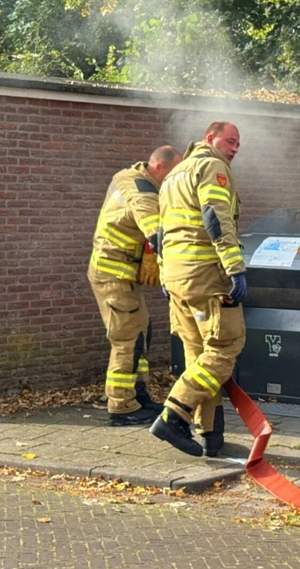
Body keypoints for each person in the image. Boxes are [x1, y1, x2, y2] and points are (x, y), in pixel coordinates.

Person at [149, 121, 246, 457]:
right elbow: (215, 218)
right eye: (230, 141)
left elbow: (161, 235)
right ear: (210, 138)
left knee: (197, 356)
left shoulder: (173, 175)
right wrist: (236, 269)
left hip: (176, 281)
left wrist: (164, 275)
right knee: (223, 349)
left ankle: (210, 435)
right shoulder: (211, 165)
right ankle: (173, 415)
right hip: (205, 277)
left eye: (238, 144)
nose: (234, 148)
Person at [88, 145, 182, 426]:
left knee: (141, 333)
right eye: (172, 174)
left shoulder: (131, 176)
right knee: (127, 339)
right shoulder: (141, 189)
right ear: (158, 168)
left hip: (121, 276)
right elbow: (153, 225)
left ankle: (138, 395)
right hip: (114, 276)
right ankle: (121, 406)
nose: (174, 180)